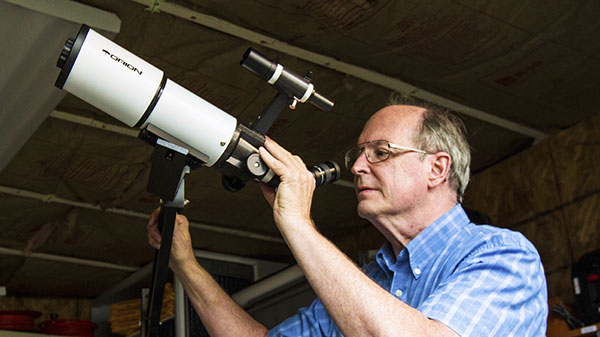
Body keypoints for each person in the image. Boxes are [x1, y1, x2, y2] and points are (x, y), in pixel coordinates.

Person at [148, 95, 548, 336]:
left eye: (380, 152)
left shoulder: (502, 257)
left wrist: (298, 224)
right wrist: (185, 265)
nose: (357, 167)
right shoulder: (371, 281)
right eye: (358, 154)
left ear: (437, 169)